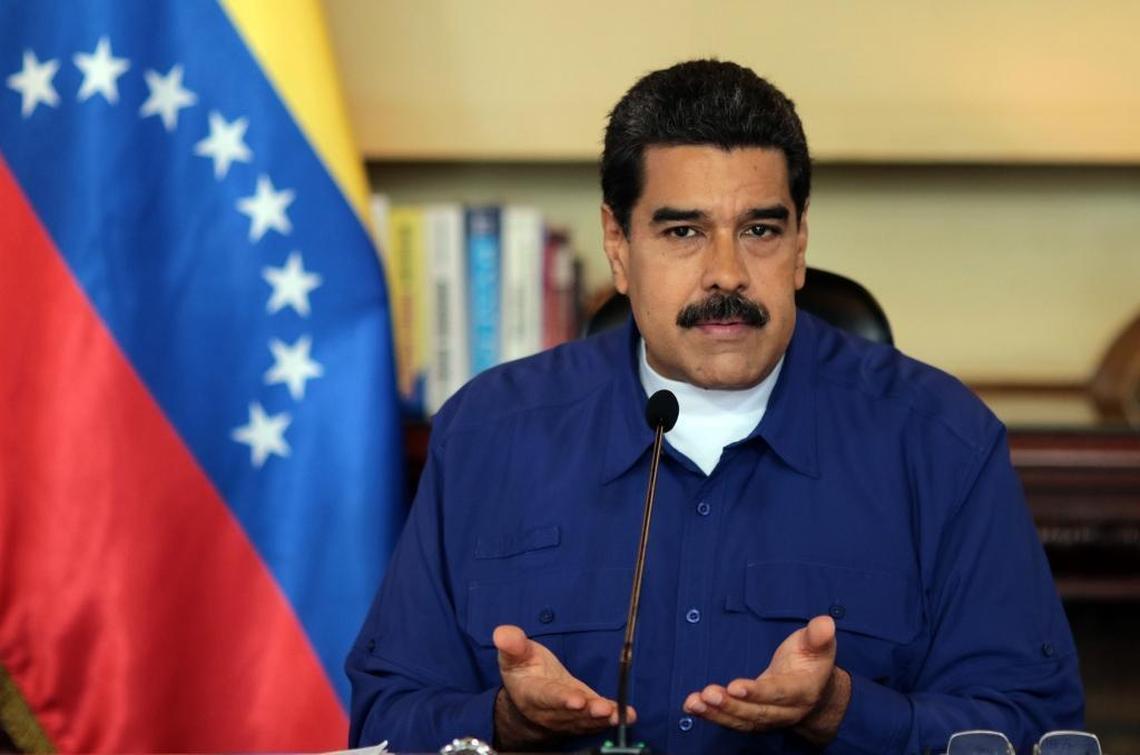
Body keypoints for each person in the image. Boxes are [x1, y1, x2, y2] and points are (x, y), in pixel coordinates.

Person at [346, 60, 1083, 753]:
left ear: (799, 244)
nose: (726, 272)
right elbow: (385, 720)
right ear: (618, 244)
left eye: (760, 230)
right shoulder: (491, 434)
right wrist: (504, 720)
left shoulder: (939, 440)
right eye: (684, 231)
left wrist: (844, 712)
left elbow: (1035, 725)